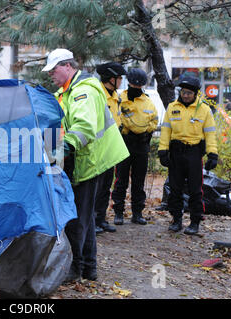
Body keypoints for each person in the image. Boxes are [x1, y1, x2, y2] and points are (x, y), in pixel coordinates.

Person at [42, 49, 129, 282]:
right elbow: (58, 123)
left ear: (68, 66)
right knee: (86, 216)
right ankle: (89, 268)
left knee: (77, 216)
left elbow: (84, 127)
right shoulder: (66, 92)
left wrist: (62, 150)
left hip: (92, 160)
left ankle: (75, 268)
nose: (50, 74)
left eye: (54, 69)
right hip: (88, 158)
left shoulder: (83, 91)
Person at [158, 75, 218, 235]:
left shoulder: (204, 110)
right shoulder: (172, 107)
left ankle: (195, 221)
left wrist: (213, 154)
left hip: (194, 153)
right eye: (183, 92)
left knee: (195, 190)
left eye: (189, 93)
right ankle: (176, 220)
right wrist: (163, 151)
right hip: (176, 153)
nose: (185, 95)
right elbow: (166, 130)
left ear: (195, 94)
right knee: (175, 189)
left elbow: (210, 134)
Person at [111, 68, 158, 226]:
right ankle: (118, 212)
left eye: (139, 86)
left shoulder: (148, 102)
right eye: (133, 84)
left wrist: (147, 131)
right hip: (124, 143)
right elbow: (116, 117)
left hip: (141, 144)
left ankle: (137, 213)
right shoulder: (119, 99)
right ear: (129, 83)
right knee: (121, 180)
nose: (136, 87)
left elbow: (154, 120)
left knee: (139, 181)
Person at [94, 62, 127, 233]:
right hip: (98, 149)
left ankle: (101, 219)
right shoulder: (97, 93)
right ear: (111, 78)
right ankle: (92, 220)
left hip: (110, 149)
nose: (121, 81)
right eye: (120, 78)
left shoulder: (115, 96)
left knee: (107, 186)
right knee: (96, 187)